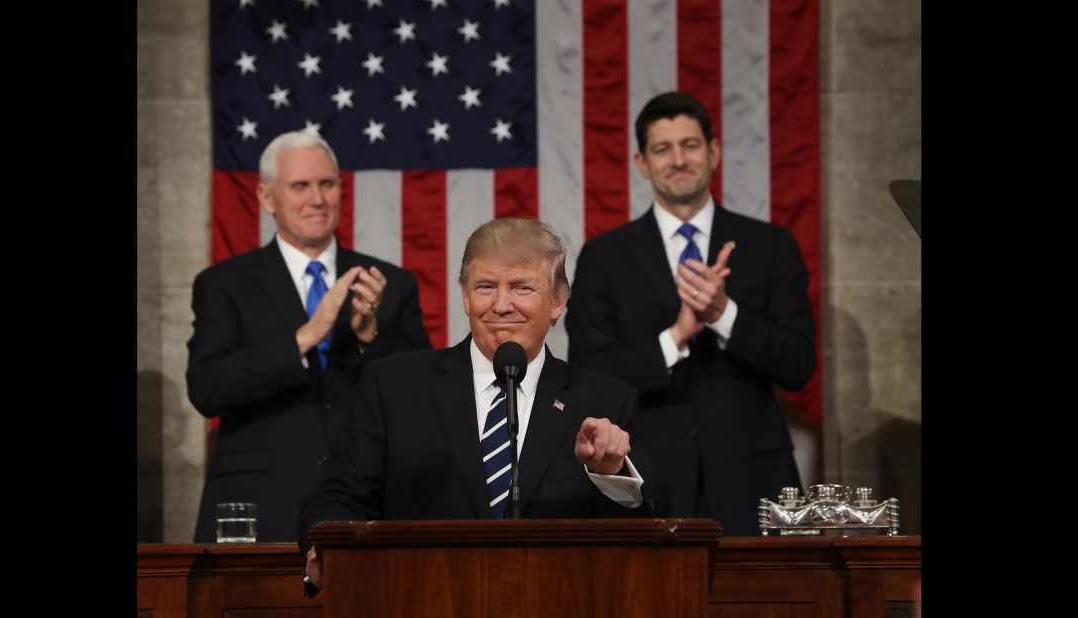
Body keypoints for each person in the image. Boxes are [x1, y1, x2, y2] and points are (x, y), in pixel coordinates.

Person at [299, 217, 663, 591]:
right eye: (486, 286)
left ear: (558, 302)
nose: (501, 305)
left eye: (522, 287)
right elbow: (338, 495)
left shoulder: (604, 400)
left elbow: (651, 526)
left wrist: (610, 472)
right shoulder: (393, 387)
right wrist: (323, 548)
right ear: (465, 295)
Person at [565, 92, 816, 536]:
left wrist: (724, 314)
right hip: (649, 478)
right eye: (663, 149)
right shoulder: (604, 257)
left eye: (690, 145)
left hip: (754, 481)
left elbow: (798, 365)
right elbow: (590, 371)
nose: (678, 159)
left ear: (714, 152)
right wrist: (676, 336)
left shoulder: (771, 245)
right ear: (642, 163)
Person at [186, 131, 432, 543]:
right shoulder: (224, 285)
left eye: (327, 184)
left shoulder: (389, 283)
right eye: (300, 186)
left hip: (365, 503)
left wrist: (370, 337)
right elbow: (207, 388)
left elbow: (423, 395)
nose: (317, 199)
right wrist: (305, 336)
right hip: (260, 505)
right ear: (266, 199)